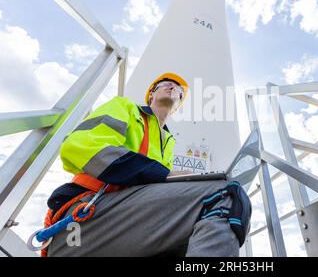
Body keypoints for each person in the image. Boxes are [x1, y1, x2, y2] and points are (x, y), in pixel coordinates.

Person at [43, 72, 251, 257]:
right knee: (226, 195)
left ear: (178, 104)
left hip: (127, 218)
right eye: (166, 83)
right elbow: (78, 146)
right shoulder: (125, 108)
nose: (173, 87)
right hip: (87, 209)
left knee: (187, 236)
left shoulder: (168, 142)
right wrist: (163, 174)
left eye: (178, 90)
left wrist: (171, 178)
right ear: (151, 94)